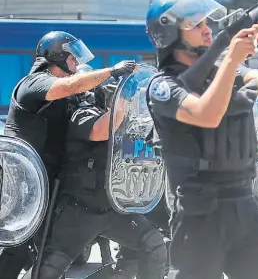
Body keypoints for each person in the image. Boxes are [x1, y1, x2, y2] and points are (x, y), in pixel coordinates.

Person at [145, 0, 258, 279]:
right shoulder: (163, 86)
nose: (207, 29)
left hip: (245, 201)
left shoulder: (222, 71)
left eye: (206, 23)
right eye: (196, 25)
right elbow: (206, 115)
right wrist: (232, 59)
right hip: (200, 211)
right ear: (172, 34)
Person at [0, 32, 137, 277]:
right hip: (22, 181)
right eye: (72, 58)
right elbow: (68, 86)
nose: (76, 64)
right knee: (18, 248)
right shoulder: (35, 83)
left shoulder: (68, 97)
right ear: (57, 56)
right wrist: (111, 71)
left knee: (46, 248)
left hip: (49, 181)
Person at [32, 77, 167, 279]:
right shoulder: (83, 115)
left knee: (154, 246)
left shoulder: (128, 125)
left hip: (115, 207)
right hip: (79, 210)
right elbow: (101, 130)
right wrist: (123, 103)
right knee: (50, 269)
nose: (127, 101)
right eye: (122, 96)